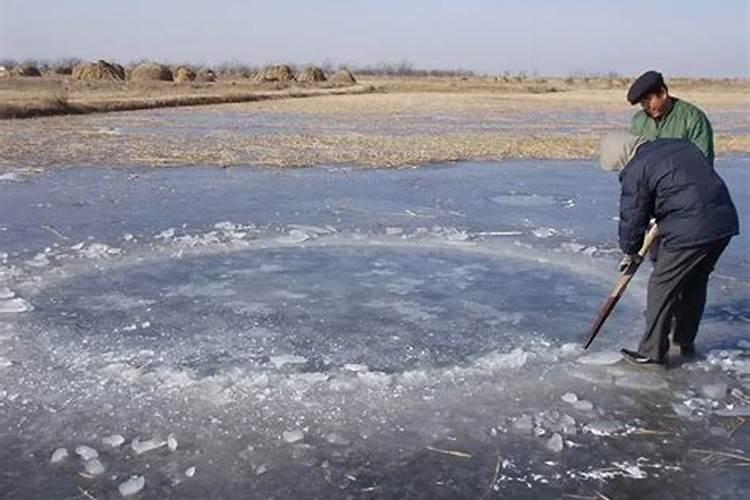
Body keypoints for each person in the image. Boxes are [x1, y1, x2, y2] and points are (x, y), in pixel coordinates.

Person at [599, 131, 739, 367]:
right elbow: (683, 186)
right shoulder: (677, 145)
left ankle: (652, 351)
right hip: (723, 222)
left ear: (623, 157)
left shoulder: (637, 168)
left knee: (662, 285)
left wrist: (630, 249)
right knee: (695, 281)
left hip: (691, 229)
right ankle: (685, 340)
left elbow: (633, 217)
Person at [628, 70, 714, 165]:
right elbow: (634, 159)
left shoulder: (693, 118)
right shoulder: (638, 121)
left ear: (663, 93)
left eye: (648, 100)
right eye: (642, 103)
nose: (646, 106)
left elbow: (703, 162)